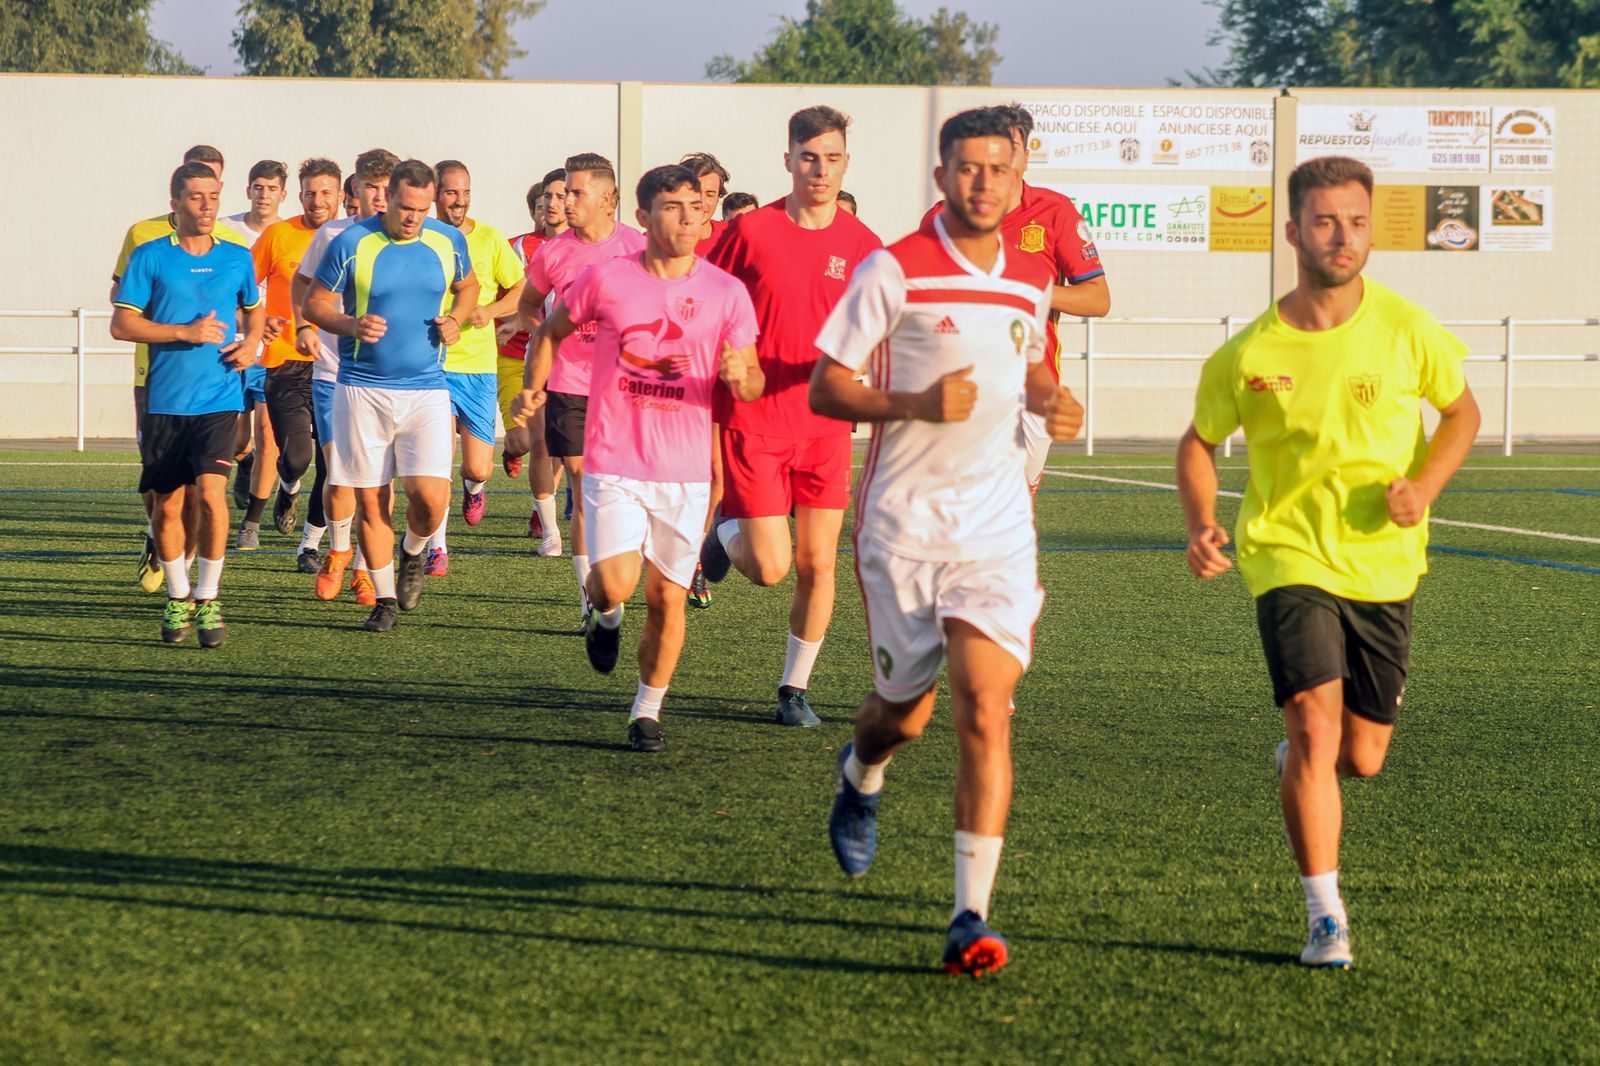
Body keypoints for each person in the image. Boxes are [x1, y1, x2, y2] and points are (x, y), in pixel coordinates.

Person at [1176, 156, 1480, 970]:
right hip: (1287, 559)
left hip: (1385, 568)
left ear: (1369, 228)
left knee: (1363, 757)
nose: (1340, 238)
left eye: (1354, 221)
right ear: (1292, 232)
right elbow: (1199, 442)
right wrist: (1203, 520)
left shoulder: (1407, 326)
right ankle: (1324, 918)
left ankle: (1302, 763)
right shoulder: (1249, 352)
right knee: (1315, 728)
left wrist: (1426, 484)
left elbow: (1461, 411)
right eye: (1323, 221)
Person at [811, 107, 1084, 976]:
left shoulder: (1034, 276)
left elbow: (1028, 360)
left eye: (998, 169)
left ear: (1018, 175)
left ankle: (971, 913)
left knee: (984, 710)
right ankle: (860, 773)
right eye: (966, 168)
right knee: (905, 717)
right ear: (942, 177)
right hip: (903, 525)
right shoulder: (893, 270)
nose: (982, 183)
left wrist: (1049, 398)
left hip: (997, 527)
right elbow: (828, 388)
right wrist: (917, 406)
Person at [515, 164, 763, 752]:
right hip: (614, 460)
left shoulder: (726, 291)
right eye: (673, 207)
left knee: (668, 597)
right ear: (645, 217)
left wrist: (740, 375)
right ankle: (603, 618)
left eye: (696, 207)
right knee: (615, 585)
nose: (689, 217)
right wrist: (534, 387)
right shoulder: (607, 280)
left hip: (683, 475)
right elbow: (548, 331)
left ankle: (646, 712)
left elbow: (752, 380)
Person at [701, 105, 882, 727]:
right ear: (788, 160)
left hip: (827, 427)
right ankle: (723, 535)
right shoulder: (751, 232)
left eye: (832, 159)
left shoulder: (864, 246)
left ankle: (793, 690)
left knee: (818, 562)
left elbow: (881, 327)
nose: (820, 171)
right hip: (754, 419)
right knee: (772, 568)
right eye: (809, 158)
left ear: (846, 164)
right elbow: (701, 298)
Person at [303, 159, 479, 632]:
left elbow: (468, 287)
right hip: (361, 389)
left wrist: (457, 320)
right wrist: (349, 324)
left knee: (430, 501)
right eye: (405, 207)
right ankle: (383, 599)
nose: (413, 217)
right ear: (387, 199)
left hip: (426, 390)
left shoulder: (448, 240)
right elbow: (313, 302)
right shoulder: (352, 243)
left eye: (422, 209)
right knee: (373, 502)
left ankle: (413, 552)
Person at [110, 161, 266, 647]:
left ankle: (209, 597)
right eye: (196, 197)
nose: (206, 206)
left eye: (213, 196)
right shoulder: (151, 256)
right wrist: (183, 332)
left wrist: (252, 341)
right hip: (165, 401)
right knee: (168, 506)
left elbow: (254, 308)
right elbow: (122, 325)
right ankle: (177, 598)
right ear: (175, 201)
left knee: (214, 498)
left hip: (219, 397)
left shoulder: (238, 256)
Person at [922, 103, 1110, 493]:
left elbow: (1098, 300)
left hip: (1030, 387)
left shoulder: (1054, 211)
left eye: (1013, 146)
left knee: (1011, 513)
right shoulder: (942, 216)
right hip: (961, 381)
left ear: (1026, 154)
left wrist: (1027, 292)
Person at [511, 153, 646, 625]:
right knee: (585, 485)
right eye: (564, 191)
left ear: (608, 200)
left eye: (576, 192)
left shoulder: (638, 247)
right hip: (569, 385)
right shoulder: (554, 251)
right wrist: (547, 332)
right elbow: (529, 305)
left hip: (627, 387)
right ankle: (593, 596)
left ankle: (622, 569)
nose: (564, 200)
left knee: (622, 491)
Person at [295, 149, 398, 607]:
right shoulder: (333, 234)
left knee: (380, 483)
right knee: (339, 471)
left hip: (391, 380)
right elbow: (302, 285)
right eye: (370, 187)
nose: (378, 197)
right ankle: (337, 550)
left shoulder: (413, 239)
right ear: (354, 189)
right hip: (334, 372)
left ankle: (364, 569)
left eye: (386, 188)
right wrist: (303, 324)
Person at [425, 159, 527, 576]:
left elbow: (520, 289)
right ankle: (437, 546)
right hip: (432, 367)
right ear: (435, 194)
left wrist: (490, 310)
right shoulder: (424, 238)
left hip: (480, 367)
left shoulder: (488, 238)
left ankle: (476, 487)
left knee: (477, 466)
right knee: (437, 462)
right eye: (451, 192)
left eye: (465, 192)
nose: (460, 201)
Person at [243, 157, 342, 569]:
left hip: (337, 366)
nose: (317, 200)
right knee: (298, 455)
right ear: (297, 195)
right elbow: (242, 283)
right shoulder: (279, 235)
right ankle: (287, 484)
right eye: (309, 192)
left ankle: (310, 546)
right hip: (286, 361)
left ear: (340, 195)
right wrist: (258, 319)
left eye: (325, 193)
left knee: (332, 462)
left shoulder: (353, 237)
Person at [498, 169, 569, 552]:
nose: (555, 204)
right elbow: (519, 298)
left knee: (567, 449)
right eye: (549, 196)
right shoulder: (527, 248)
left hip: (587, 363)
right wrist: (516, 322)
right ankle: (550, 530)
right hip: (533, 356)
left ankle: (547, 511)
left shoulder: (608, 246)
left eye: (563, 195)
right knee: (535, 442)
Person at [221, 160, 286, 523]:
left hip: (270, 349)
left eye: (271, 188)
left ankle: (258, 512)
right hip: (231, 345)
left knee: (268, 433)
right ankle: (243, 461)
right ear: (248, 190)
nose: (264, 194)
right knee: (236, 439)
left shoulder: (289, 233)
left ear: (282, 194)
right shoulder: (225, 230)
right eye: (258, 187)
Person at [680, 152, 731, 256]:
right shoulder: (650, 243)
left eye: (710, 194)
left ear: (718, 198)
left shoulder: (733, 238)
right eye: (695, 192)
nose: (701, 202)